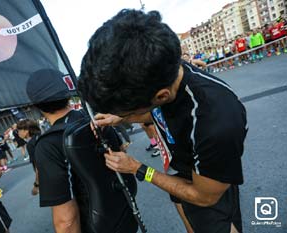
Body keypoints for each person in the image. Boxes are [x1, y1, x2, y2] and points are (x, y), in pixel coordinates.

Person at [78, 9, 247, 233]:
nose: (128, 117)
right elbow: (156, 112)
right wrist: (118, 117)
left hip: (201, 185)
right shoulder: (164, 70)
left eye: (128, 112)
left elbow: (204, 197)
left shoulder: (216, 123)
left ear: (161, 96)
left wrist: (138, 168)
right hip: (181, 174)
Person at [26, 69, 138, 233]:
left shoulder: (48, 144)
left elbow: (66, 221)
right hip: (124, 212)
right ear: (68, 92)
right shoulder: (97, 120)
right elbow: (122, 155)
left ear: (36, 105)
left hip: (95, 226)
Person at [17, 119, 41, 195]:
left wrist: (37, 184)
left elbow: (38, 165)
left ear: (26, 131)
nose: (18, 133)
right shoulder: (40, 137)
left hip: (46, 178)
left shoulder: (30, 144)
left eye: (19, 130)